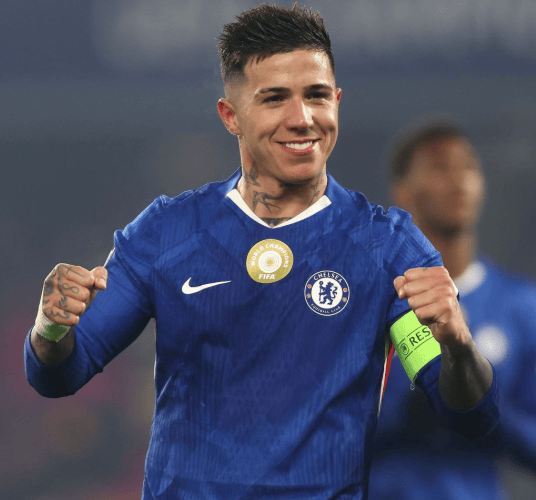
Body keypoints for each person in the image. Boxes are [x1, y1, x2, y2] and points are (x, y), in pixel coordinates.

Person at [24, 5, 498, 499]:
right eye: (274, 99)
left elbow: (468, 414)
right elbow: (60, 374)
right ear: (231, 116)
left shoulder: (387, 246)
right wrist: (51, 327)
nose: (302, 118)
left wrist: (458, 345)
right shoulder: (166, 232)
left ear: (336, 101)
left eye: (316, 95)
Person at [368, 122, 536, 500]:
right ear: (402, 191)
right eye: (439, 167)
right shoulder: (370, 302)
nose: (459, 179)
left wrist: (480, 405)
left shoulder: (521, 306)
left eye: (469, 166)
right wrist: (403, 411)